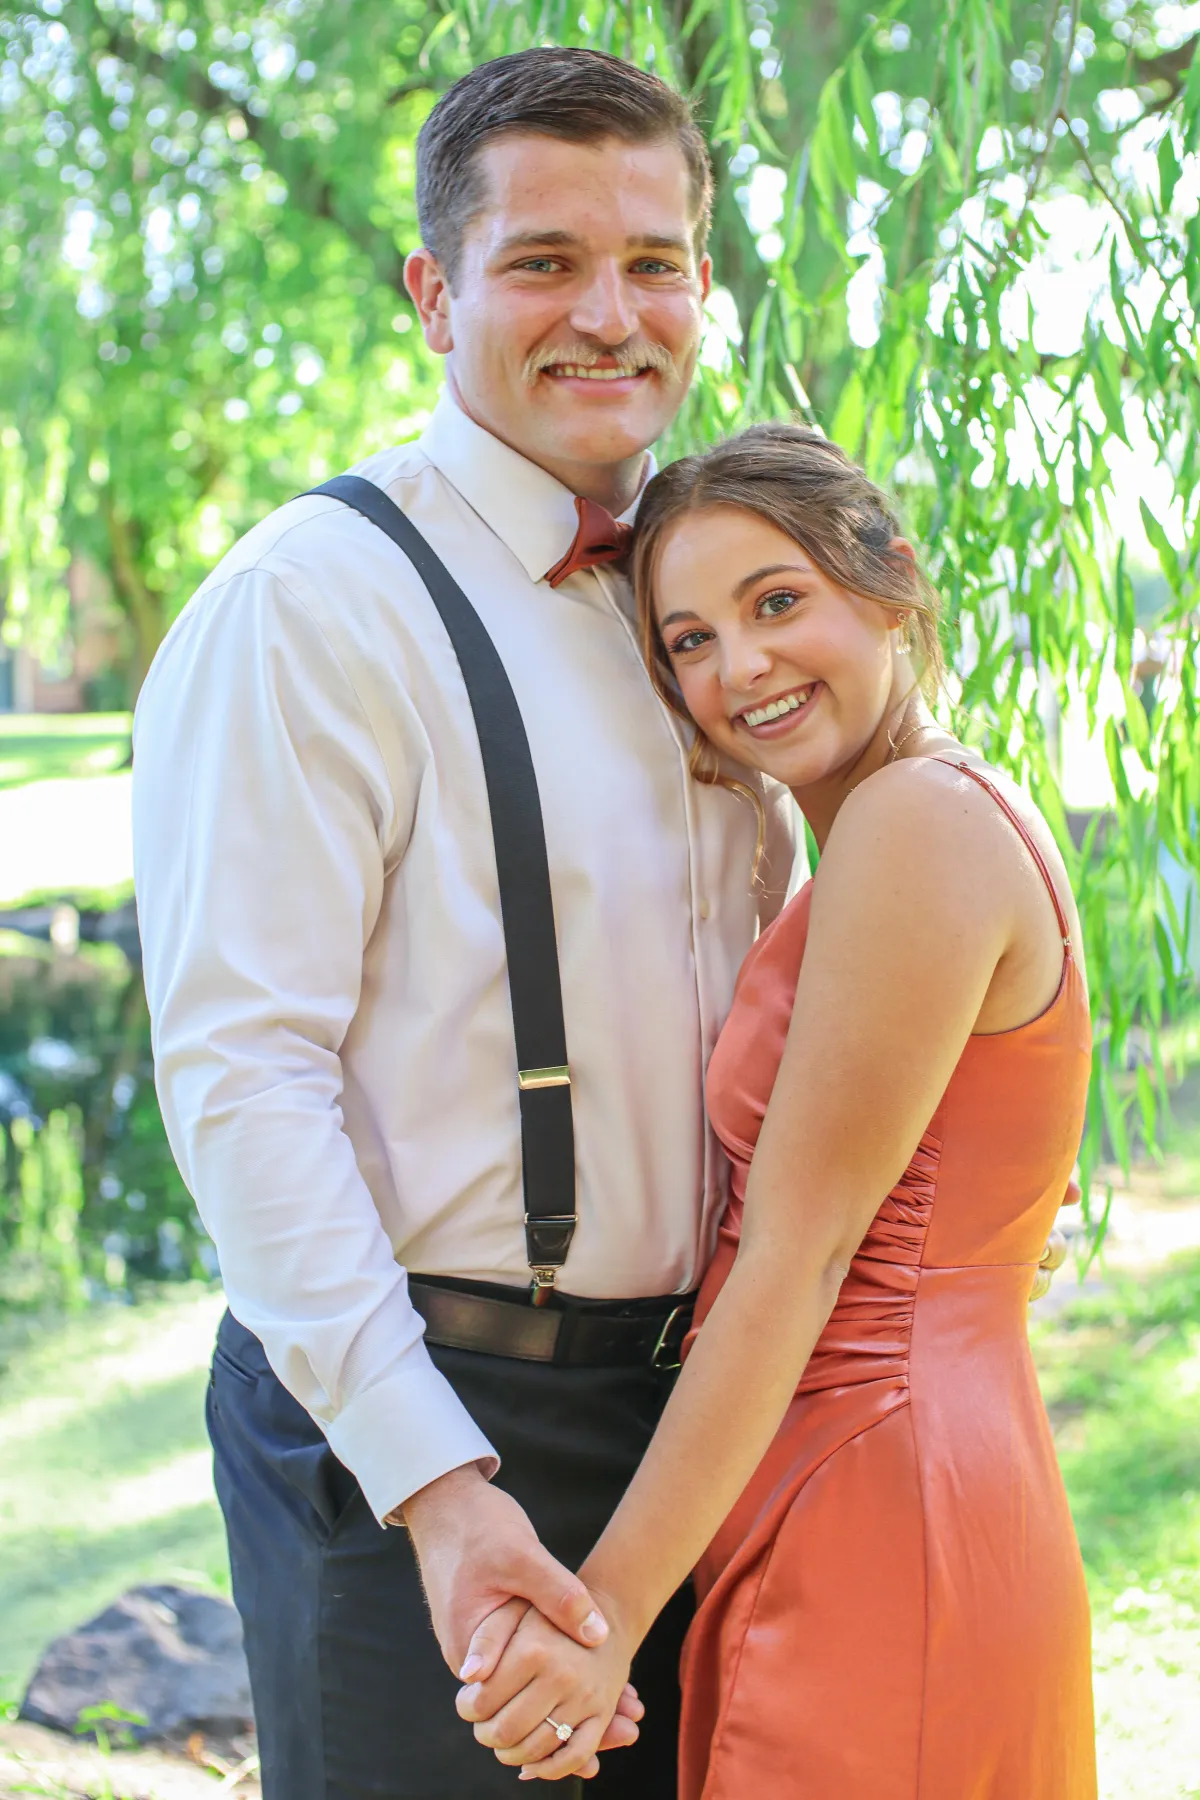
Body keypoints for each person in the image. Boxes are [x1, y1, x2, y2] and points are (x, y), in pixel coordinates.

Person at [131, 45, 797, 1800]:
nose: (611, 312)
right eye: (544, 260)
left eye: (655, 262)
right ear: (436, 292)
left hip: (695, 1438)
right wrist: (438, 1488)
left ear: (704, 290)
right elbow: (241, 1082)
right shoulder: (307, 605)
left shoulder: (718, 598)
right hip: (413, 1435)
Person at [455, 424, 1097, 1798]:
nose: (739, 667)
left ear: (890, 583)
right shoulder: (902, 823)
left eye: (778, 601)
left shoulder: (916, 824)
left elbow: (801, 1262)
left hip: (882, 1497)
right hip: (859, 1473)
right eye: (688, 639)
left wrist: (606, 1619)